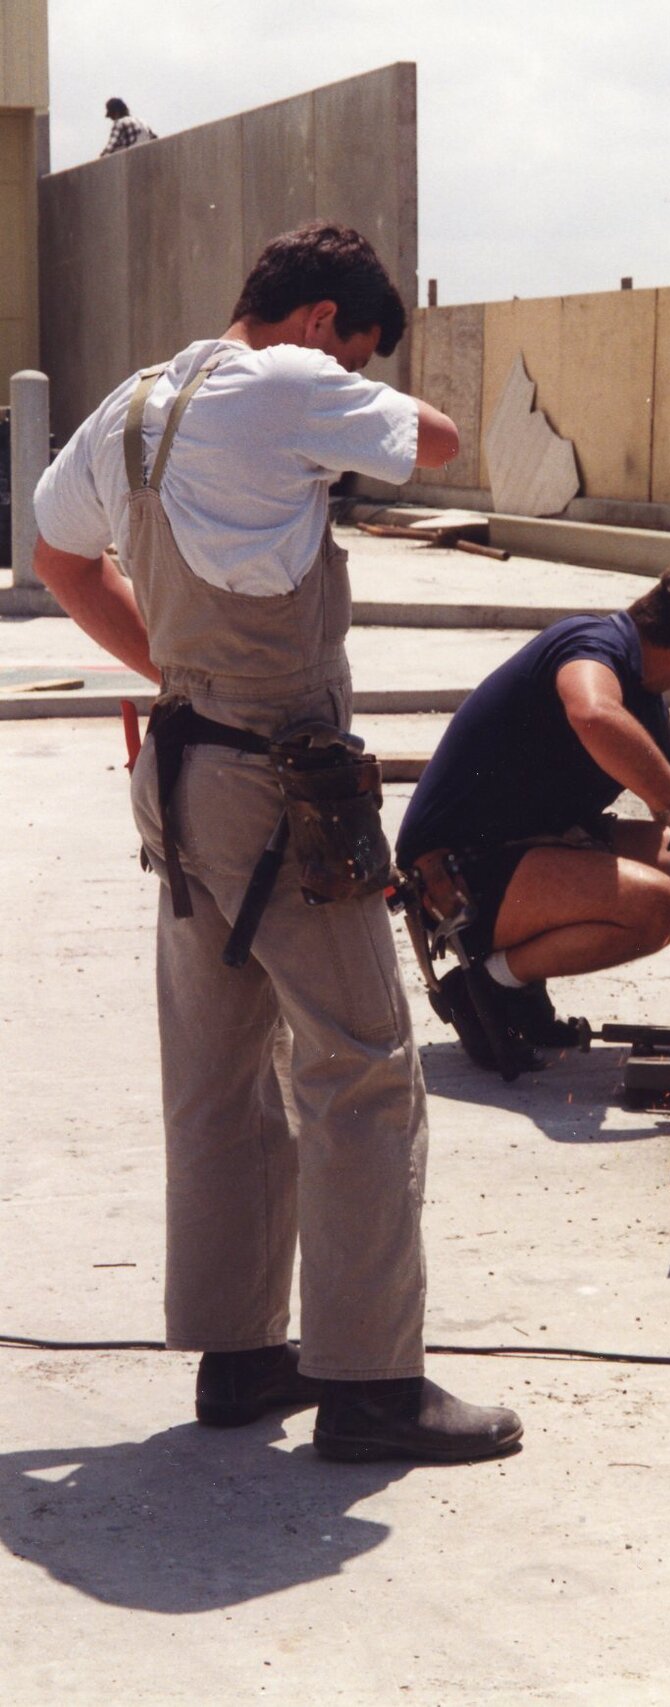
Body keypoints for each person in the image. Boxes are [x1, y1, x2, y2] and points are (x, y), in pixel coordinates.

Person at [33, 221, 522, 1464]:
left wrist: (182, 676)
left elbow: (58, 558)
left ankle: (240, 1355)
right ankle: (370, 1384)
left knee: (216, 1072)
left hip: (182, 771)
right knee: (361, 1070)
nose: (348, 376)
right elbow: (440, 443)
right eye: (354, 350)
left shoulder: (132, 404)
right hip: (288, 788)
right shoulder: (292, 381)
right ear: (319, 321)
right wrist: (340, 379)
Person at [395, 566, 670, 1070]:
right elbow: (593, 714)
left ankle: (511, 977)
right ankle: (491, 984)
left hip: (525, 846)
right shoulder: (591, 648)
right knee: (659, 907)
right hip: (458, 874)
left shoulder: (643, 694)